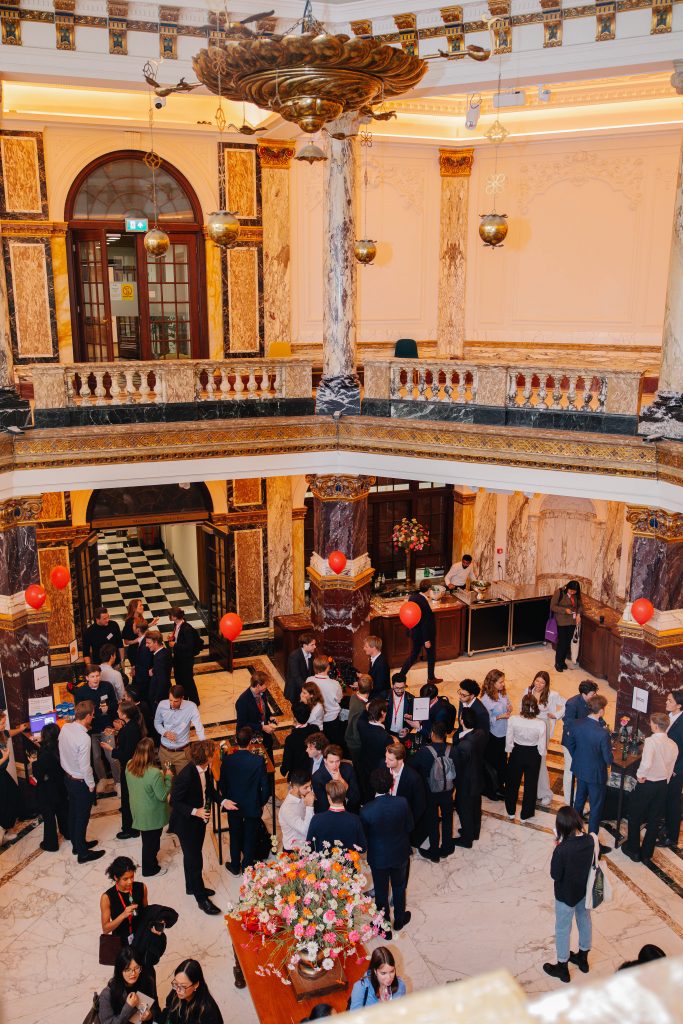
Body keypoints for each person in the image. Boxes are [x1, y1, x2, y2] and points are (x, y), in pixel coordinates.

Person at [542, 806, 595, 983]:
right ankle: (583, 959)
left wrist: (557, 846)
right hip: (583, 891)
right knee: (584, 920)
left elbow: (555, 875)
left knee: (563, 929)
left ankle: (562, 968)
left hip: (565, 895)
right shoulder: (590, 840)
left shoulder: (562, 849)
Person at [169, 739, 221, 915]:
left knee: (192, 856)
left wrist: (223, 801)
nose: (216, 754)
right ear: (207, 757)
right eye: (213, 752)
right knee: (195, 860)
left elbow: (209, 790)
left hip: (198, 821)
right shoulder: (186, 775)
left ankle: (191, 886)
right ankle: (201, 898)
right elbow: (174, 801)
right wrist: (195, 811)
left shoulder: (205, 769)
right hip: (186, 824)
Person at [360, 767, 413, 936]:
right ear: (391, 784)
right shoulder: (402, 802)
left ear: (373, 786)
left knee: (381, 892)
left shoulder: (366, 810)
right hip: (400, 853)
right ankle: (399, 920)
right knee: (399, 887)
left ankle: (384, 927)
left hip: (378, 858)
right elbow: (410, 826)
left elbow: (364, 838)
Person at [622, 713, 678, 864]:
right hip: (662, 785)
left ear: (656, 726)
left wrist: (640, 775)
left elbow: (646, 763)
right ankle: (647, 854)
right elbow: (671, 766)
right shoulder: (673, 744)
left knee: (635, 815)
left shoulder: (651, 741)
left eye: (652, 723)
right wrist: (665, 780)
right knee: (654, 819)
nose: (650, 725)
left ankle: (633, 850)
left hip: (647, 784)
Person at [58, 700, 105, 862]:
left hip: (68, 778)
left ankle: (77, 845)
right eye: (92, 715)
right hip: (80, 781)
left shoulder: (65, 728)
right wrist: (91, 785)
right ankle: (83, 854)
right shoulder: (83, 738)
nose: (93, 718)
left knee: (73, 813)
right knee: (82, 817)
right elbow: (85, 767)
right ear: (87, 716)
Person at [219, 726, 270, 875]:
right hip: (252, 805)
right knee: (250, 835)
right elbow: (266, 787)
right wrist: (261, 803)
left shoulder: (227, 760)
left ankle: (235, 866)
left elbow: (222, 784)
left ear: (236, 740)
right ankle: (247, 865)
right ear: (250, 742)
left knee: (234, 835)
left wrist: (227, 798)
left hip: (233, 804)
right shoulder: (258, 761)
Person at [567, 694, 613, 844]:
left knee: (579, 801)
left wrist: (579, 758)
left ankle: (573, 833)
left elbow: (571, 744)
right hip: (596, 774)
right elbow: (608, 759)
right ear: (601, 711)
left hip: (580, 769)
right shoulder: (603, 733)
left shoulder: (576, 723)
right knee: (595, 807)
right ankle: (592, 842)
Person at [126, 737, 173, 877]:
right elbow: (162, 795)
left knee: (148, 840)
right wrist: (168, 777)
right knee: (151, 843)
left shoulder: (129, 765)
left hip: (138, 809)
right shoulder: (154, 773)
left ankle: (151, 862)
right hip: (152, 813)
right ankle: (150, 869)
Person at [411, 722, 455, 860]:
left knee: (433, 820)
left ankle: (434, 851)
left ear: (432, 734)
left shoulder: (424, 751)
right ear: (445, 735)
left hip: (430, 793)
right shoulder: (452, 750)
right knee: (447, 818)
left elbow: (412, 767)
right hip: (447, 791)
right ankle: (447, 847)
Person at [104, 698, 146, 840]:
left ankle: (130, 830)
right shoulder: (131, 726)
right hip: (132, 767)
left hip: (129, 767)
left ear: (124, 714)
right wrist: (116, 732)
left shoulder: (130, 730)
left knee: (127, 799)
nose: (117, 711)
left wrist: (111, 749)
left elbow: (127, 753)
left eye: (119, 710)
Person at [74, 664, 119, 791]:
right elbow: (80, 713)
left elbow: (115, 703)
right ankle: (102, 779)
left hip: (107, 727)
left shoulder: (107, 686)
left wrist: (108, 708)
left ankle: (118, 782)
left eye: (97, 676)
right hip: (91, 730)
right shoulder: (81, 692)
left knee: (112, 757)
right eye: (92, 676)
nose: (96, 679)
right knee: (96, 757)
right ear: (87, 678)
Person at [505, 694, 547, 821]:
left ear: (522, 706)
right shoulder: (540, 723)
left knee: (512, 784)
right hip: (533, 754)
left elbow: (509, 738)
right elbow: (542, 745)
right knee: (530, 786)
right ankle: (525, 814)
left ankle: (511, 811)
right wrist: (541, 754)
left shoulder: (513, 719)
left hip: (517, 752)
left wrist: (509, 751)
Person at [527, 671, 565, 807]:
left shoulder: (552, 695)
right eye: (537, 681)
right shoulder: (528, 691)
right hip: (529, 725)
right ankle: (532, 791)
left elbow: (567, 704)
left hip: (543, 727)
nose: (538, 684)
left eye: (542, 682)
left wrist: (556, 715)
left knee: (541, 759)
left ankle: (545, 793)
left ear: (546, 684)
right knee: (530, 759)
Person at [30, 721, 69, 852]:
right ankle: (67, 832)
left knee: (49, 817)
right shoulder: (61, 748)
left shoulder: (44, 754)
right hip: (61, 786)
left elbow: (39, 775)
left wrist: (33, 763)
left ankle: (51, 844)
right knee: (62, 811)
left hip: (47, 790)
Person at [453, 706, 487, 848]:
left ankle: (467, 839)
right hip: (478, 777)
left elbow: (457, 766)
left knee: (464, 809)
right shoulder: (480, 734)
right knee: (475, 807)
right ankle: (474, 832)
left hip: (466, 782)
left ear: (461, 721)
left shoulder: (463, 745)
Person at [98, 947, 159, 1024]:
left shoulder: (147, 982)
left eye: (137, 968)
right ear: (120, 971)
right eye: (128, 970)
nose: (133, 973)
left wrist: (149, 1015)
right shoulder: (107, 994)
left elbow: (155, 1009)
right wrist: (128, 1007)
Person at [561, 680, 599, 804]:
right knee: (570, 771)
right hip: (571, 743)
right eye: (593, 694)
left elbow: (597, 716)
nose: (595, 696)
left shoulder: (592, 702)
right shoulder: (572, 704)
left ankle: (577, 799)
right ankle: (568, 801)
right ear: (584, 694)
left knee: (580, 772)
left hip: (583, 742)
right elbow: (568, 726)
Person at [154, 685, 205, 776]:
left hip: (182, 754)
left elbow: (199, 728)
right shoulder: (162, 705)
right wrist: (165, 733)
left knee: (184, 781)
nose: (172, 704)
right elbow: (157, 722)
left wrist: (204, 747)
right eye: (170, 700)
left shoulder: (191, 707)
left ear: (182, 698)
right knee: (168, 781)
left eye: (176, 701)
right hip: (165, 753)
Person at [306, 779, 367, 853]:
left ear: (329, 797)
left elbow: (308, 847)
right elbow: (363, 848)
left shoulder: (317, 819)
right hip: (348, 860)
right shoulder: (355, 819)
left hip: (323, 860)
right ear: (344, 796)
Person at [100, 855, 148, 946]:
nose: (130, 881)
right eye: (125, 879)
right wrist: (123, 915)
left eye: (132, 877)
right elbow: (105, 929)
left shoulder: (142, 887)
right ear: (116, 878)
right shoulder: (107, 898)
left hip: (141, 936)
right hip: (120, 941)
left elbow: (146, 913)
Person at [400, 580, 442, 684]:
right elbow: (424, 622)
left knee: (413, 656)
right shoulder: (422, 602)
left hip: (416, 633)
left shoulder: (414, 597)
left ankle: (400, 678)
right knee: (431, 656)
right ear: (429, 589)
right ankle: (431, 678)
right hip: (424, 635)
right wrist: (426, 640)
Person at [385, 742, 427, 844]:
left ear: (400, 760)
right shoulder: (383, 767)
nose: (386, 761)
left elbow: (420, 805)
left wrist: (408, 824)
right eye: (386, 757)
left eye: (390, 759)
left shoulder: (414, 778)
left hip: (402, 819)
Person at [163, 959, 224, 1024]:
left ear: (196, 985)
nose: (177, 990)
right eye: (176, 983)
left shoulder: (208, 1011)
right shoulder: (177, 990)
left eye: (183, 986)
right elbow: (168, 1010)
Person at [481, 669, 511, 800]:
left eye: (503, 681)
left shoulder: (502, 693)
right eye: (500, 682)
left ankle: (501, 786)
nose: (503, 684)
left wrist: (509, 707)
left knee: (503, 762)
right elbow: (485, 720)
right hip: (494, 736)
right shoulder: (485, 700)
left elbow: (508, 703)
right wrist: (499, 717)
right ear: (492, 683)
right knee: (495, 763)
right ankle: (493, 788)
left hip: (504, 733)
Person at [0, 711, 29, 843]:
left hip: (2, 772)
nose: (4, 725)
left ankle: (10, 824)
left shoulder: (1, 732)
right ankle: (6, 830)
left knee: (13, 794)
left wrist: (20, 729)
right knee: (6, 801)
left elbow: (8, 733)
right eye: (2, 723)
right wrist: (5, 757)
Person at [235, 670, 277, 758]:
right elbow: (242, 724)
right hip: (251, 738)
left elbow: (265, 707)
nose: (267, 686)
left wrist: (270, 716)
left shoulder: (263, 692)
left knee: (269, 758)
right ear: (258, 686)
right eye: (265, 684)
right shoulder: (242, 701)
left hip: (264, 736)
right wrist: (262, 727)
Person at [167, 607, 203, 706]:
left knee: (188, 681)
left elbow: (189, 646)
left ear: (175, 617)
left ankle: (195, 701)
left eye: (170, 615)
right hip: (178, 658)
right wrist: (173, 637)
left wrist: (175, 644)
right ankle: (184, 698)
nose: (169, 617)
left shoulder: (187, 629)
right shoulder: (176, 624)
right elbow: (180, 638)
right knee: (179, 679)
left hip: (186, 659)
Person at [662, 689, 683, 849]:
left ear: (679, 705)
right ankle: (665, 825)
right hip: (665, 767)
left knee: (673, 803)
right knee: (665, 798)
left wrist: (676, 769)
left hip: (676, 771)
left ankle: (672, 837)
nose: (666, 702)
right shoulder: (669, 717)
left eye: (670, 701)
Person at [312, 743, 361, 813]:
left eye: (337, 761)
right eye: (331, 762)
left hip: (351, 810)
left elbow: (356, 798)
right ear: (325, 760)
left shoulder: (348, 769)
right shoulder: (317, 778)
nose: (335, 765)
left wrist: (342, 781)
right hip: (331, 813)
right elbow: (324, 805)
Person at [305, 656, 342, 743]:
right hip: (331, 719)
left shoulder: (309, 680)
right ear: (327, 667)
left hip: (315, 720)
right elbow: (339, 700)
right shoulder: (335, 684)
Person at [278, 769, 315, 852]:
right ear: (295, 788)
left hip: (305, 847)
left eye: (310, 786)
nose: (309, 790)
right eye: (306, 787)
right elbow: (306, 831)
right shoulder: (287, 809)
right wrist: (309, 806)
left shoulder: (301, 795)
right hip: (294, 852)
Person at [550, 581, 583, 673]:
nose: (572, 593)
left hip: (572, 622)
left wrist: (579, 614)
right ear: (568, 588)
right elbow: (553, 607)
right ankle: (558, 663)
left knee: (567, 642)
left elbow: (580, 605)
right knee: (562, 643)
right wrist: (565, 610)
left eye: (574, 591)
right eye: (571, 591)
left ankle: (562, 661)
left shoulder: (576, 595)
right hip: (562, 621)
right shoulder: (559, 592)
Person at [345, 673, 372, 778]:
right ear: (371, 688)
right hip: (356, 744)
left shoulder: (353, 696)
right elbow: (358, 731)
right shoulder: (362, 708)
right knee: (360, 770)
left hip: (350, 738)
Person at [357, 699, 393, 777]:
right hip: (378, 768)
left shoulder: (361, 724)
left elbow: (362, 717)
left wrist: (368, 708)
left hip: (364, 764)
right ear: (382, 713)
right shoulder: (386, 737)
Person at [281, 704, 317, 780]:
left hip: (297, 775)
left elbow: (287, 760)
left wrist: (283, 770)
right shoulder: (315, 729)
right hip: (313, 770)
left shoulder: (291, 738)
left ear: (295, 718)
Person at [285, 631, 316, 704]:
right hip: (295, 690)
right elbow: (296, 676)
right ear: (305, 645)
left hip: (305, 689)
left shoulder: (311, 655)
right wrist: (307, 689)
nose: (315, 646)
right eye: (312, 645)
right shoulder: (294, 656)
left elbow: (311, 672)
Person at [146, 631, 173, 714]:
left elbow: (162, 680)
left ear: (156, 642)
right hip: (166, 691)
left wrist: (157, 699)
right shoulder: (165, 651)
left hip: (159, 695)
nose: (146, 645)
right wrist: (154, 669)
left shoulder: (159, 658)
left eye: (148, 643)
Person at [385, 674, 417, 739]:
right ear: (392, 685)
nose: (399, 691)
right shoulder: (385, 696)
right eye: (397, 688)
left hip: (402, 735)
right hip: (386, 733)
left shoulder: (411, 699)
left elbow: (413, 718)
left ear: (405, 685)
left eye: (402, 688)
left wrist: (407, 729)